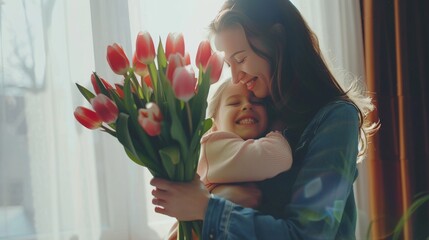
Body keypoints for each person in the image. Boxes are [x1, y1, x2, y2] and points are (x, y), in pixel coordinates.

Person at [151, 0, 379, 239]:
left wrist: (207, 208)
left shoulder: (336, 119)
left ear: (277, 42)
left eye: (240, 59)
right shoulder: (259, 111)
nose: (237, 78)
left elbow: (308, 234)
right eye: (230, 65)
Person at [166, 80, 293, 239]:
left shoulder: (245, 149)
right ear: (214, 122)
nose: (247, 106)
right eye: (234, 103)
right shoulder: (214, 146)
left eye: (256, 102)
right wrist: (277, 129)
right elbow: (280, 157)